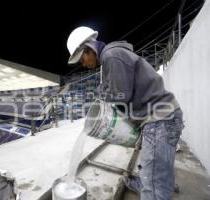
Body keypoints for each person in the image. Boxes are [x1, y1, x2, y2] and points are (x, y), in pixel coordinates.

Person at [66, 26, 184, 200]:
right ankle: (148, 182)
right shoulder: (111, 57)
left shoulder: (111, 56)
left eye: (82, 59)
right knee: (155, 166)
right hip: (161, 116)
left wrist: (103, 94)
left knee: (154, 187)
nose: (83, 65)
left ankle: (152, 187)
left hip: (160, 120)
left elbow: (120, 95)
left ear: (89, 49)